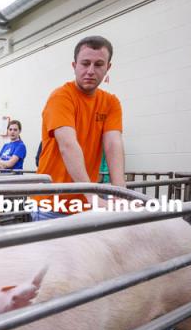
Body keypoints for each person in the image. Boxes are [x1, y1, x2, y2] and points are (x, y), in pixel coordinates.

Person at [34, 35, 125, 220]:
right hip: (52, 205)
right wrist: (91, 196)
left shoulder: (111, 102)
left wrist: (120, 192)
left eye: (99, 64)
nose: (91, 71)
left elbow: (113, 144)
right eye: (85, 63)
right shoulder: (61, 97)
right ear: (74, 66)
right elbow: (68, 145)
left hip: (85, 206)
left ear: (108, 68)